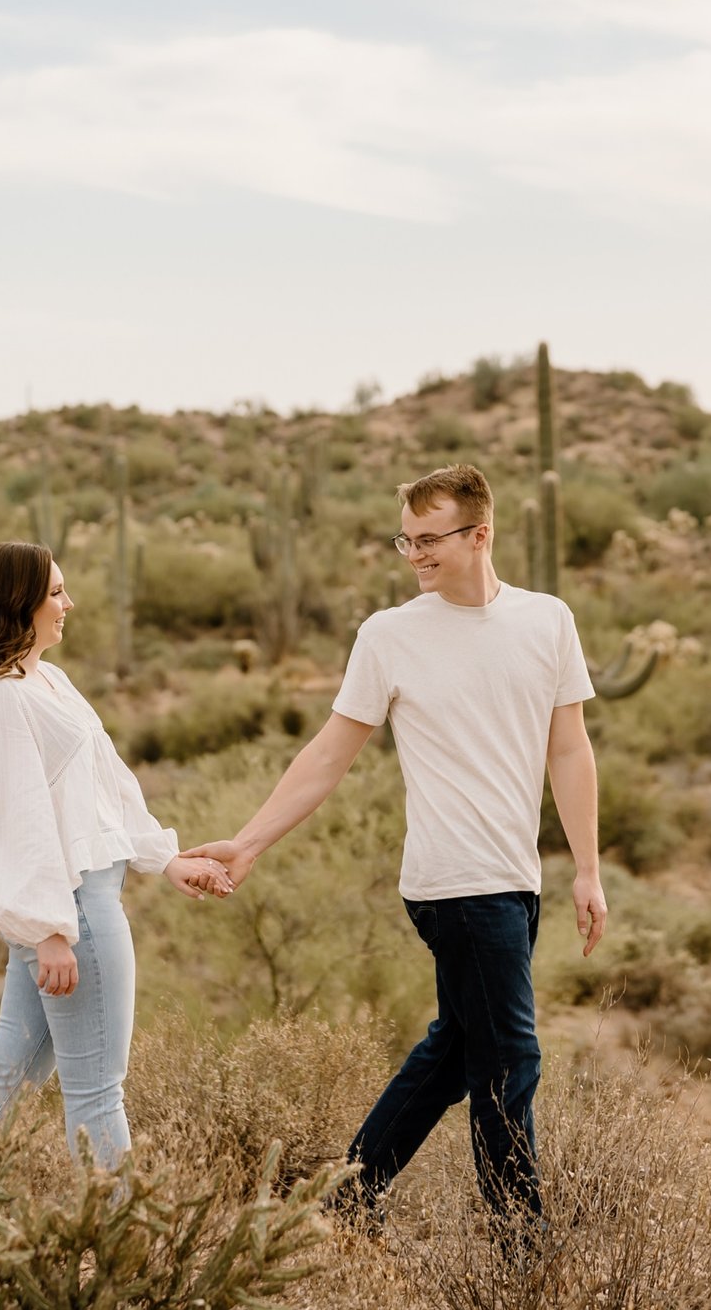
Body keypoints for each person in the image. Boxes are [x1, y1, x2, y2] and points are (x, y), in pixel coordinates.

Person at [193, 464, 606, 1226]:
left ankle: (343, 1204)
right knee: (511, 1060)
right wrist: (249, 843)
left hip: (515, 877)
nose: (415, 555)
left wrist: (587, 868)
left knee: (457, 1051)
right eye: (406, 541)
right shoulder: (389, 635)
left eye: (429, 540)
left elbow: (571, 750)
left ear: (480, 534)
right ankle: (524, 1252)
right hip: (453, 880)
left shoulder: (548, 620)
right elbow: (328, 754)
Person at [0, 540, 231, 1164]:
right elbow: (18, 821)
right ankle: (125, 1252)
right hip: (72, 910)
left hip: (74, 901)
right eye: (55, 593)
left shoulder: (47, 680)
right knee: (97, 1092)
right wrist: (50, 930)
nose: (68, 603)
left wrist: (164, 857)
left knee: (9, 1071)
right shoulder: (2, 697)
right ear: (19, 603)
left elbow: (108, 782)